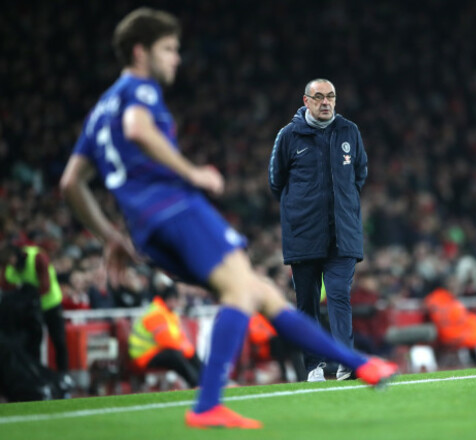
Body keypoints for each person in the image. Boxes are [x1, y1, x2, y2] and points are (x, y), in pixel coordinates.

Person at [59, 8, 397, 430]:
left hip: (145, 230)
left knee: (260, 291)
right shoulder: (138, 90)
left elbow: (71, 183)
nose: (176, 58)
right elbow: (138, 128)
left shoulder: (99, 111)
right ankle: (208, 404)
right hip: (176, 209)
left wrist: (109, 235)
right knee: (244, 289)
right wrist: (192, 172)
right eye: (168, 49)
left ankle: (359, 365)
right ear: (140, 51)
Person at [268, 78, 368, 382]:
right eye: (320, 97)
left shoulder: (349, 131)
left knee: (339, 295)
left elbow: (360, 174)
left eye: (331, 97)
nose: (326, 102)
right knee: (307, 303)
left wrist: (343, 208)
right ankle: (313, 366)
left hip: (342, 235)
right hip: (304, 236)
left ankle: (344, 364)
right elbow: (276, 181)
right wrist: (302, 211)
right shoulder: (288, 136)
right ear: (306, 101)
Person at [2, 241, 72, 380]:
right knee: (33, 343)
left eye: (12, 260)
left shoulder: (37, 257)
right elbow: (6, 285)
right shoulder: (9, 268)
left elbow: (45, 286)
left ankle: (64, 376)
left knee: (59, 341)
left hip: (50, 305)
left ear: (17, 254)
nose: (12, 264)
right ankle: (35, 377)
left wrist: (25, 294)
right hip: (31, 310)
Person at [128, 275, 201, 387]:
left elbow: (178, 337)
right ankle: (195, 384)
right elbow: (166, 340)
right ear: (169, 299)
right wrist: (185, 349)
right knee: (175, 356)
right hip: (143, 356)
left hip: (155, 351)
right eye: (175, 299)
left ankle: (206, 381)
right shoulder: (156, 314)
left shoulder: (170, 313)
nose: (177, 303)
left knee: (190, 353)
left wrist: (188, 349)